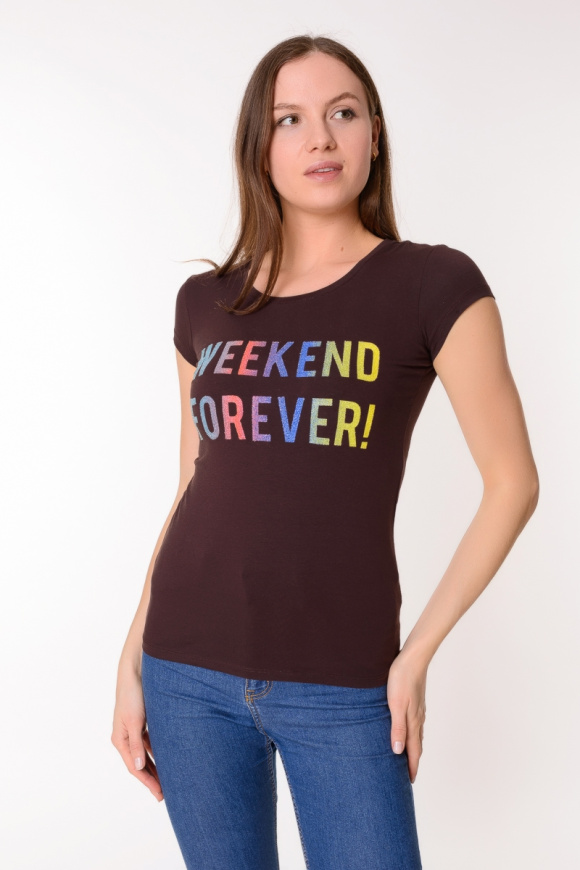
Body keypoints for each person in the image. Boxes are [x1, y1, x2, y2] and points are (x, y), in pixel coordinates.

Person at [111, 34, 539, 870]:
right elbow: (194, 483)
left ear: (374, 133)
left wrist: (415, 656)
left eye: (342, 113)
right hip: (184, 670)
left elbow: (513, 483)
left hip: (344, 684)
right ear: (259, 146)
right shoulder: (205, 302)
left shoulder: (433, 285)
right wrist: (131, 656)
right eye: (290, 119)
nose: (320, 138)